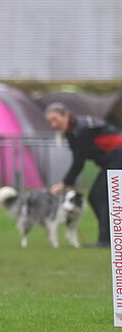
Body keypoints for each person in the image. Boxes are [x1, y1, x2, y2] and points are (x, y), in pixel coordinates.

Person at [46, 102, 122, 248]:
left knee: (101, 197)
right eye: (50, 121)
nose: (53, 125)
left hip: (118, 159)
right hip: (111, 162)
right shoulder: (73, 131)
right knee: (98, 197)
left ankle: (107, 240)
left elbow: (78, 161)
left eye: (55, 119)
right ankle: (109, 238)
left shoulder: (81, 130)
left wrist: (64, 183)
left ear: (66, 115)